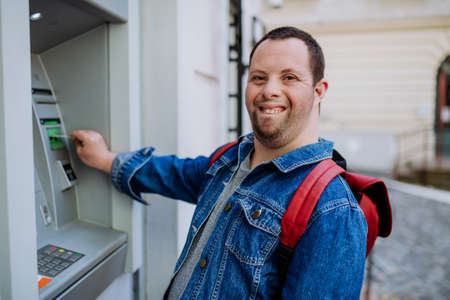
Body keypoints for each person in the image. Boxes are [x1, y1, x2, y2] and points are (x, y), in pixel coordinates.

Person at [70, 26, 367, 299]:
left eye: (289, 78)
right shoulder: (230, 160)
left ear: (319, 90)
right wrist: (105, 159)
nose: (269, 91)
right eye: (259, 77)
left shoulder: (334, 210)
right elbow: (174, 174)